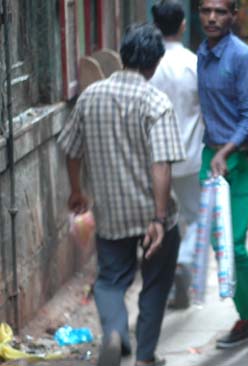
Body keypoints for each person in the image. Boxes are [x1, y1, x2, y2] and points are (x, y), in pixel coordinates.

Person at [57, 24, 186, 366]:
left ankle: (114, 332)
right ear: (155, 63)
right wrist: (159, 218)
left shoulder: (90, 97)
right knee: (156, 285)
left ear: (123, 56)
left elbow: (70, 149)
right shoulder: (156, 102)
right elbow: (162, 164)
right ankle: (145, 357)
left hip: (111, 214)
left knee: (110, 281)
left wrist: (76, 191)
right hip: (151, 216)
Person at [197, 0, 248, 350]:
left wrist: (226, 152)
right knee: (218, 246)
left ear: (233, 16)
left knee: (236, 244)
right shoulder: (201, 52)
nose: (211, 17)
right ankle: (245, 317)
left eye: (220, 11)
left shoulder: (243, 57)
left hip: (239, 161)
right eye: (205, 10)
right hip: (211, 159)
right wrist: (213, 153)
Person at [150, 0, 204, 310]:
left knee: (162, 218)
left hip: (158, 158)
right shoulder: (193, 63)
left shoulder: (150, 65)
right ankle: (184, 262)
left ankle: (167, 278)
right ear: (183, 25)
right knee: (195, 217)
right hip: (191, 153)